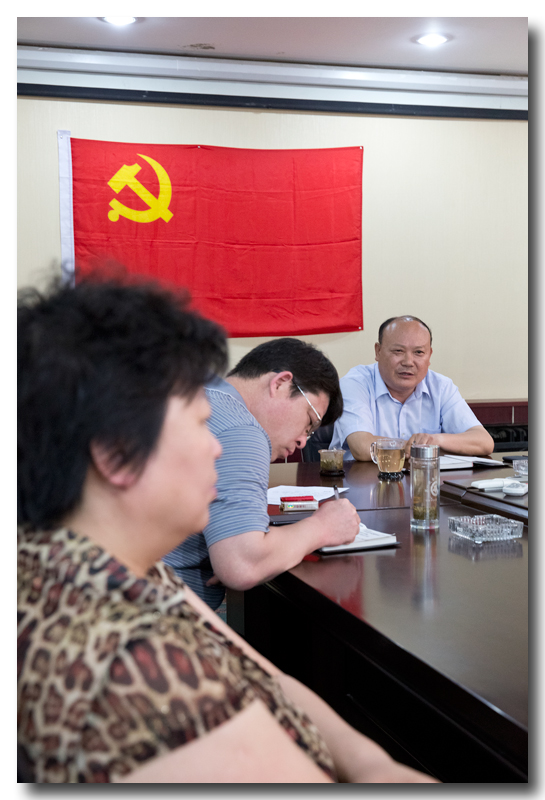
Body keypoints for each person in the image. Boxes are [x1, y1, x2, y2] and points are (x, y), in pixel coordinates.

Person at [17, 277, 437, 784]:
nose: (217, 447)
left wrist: (373, 764)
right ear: (115, 454)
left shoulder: (109, 566)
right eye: (197, 425)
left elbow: (264, 674)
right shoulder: (131, 666)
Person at [164, 338, 361, 610]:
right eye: (309, 421)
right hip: (155, 616)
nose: (303, 441)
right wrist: (323, 527)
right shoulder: (242, 430)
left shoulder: (197, 392)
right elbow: (242, 564)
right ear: (280, 383)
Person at [330, 315, 494, 462]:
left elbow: (484, 442)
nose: (408, 362)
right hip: (361, 483)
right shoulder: (355, 383)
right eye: (398, 351)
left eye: (419, 352)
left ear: (429, 355)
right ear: (378, 351)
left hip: (422, 481)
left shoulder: (441, 386)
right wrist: (423, 448)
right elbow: (362, 447)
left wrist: (434, 440)